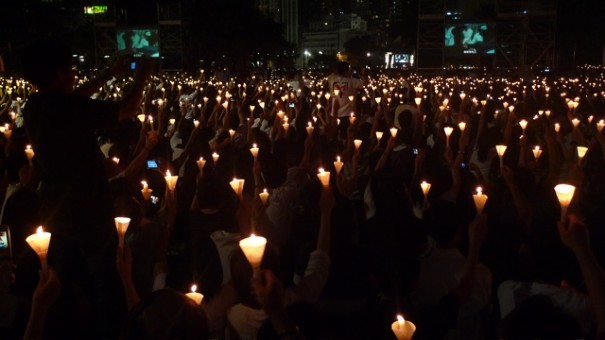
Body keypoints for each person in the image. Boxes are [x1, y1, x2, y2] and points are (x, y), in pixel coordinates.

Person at [20, 39, 153, 337]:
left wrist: (109, 74)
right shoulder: (66, 107)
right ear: (58, 73)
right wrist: (143, 74)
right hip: (89, 212)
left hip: (55, 210)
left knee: (67, 285)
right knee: (107, 281)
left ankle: (71, 327)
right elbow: (128, 109)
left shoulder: (35, 106)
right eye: (70, 68)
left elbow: (75, 98)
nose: (74, 73)